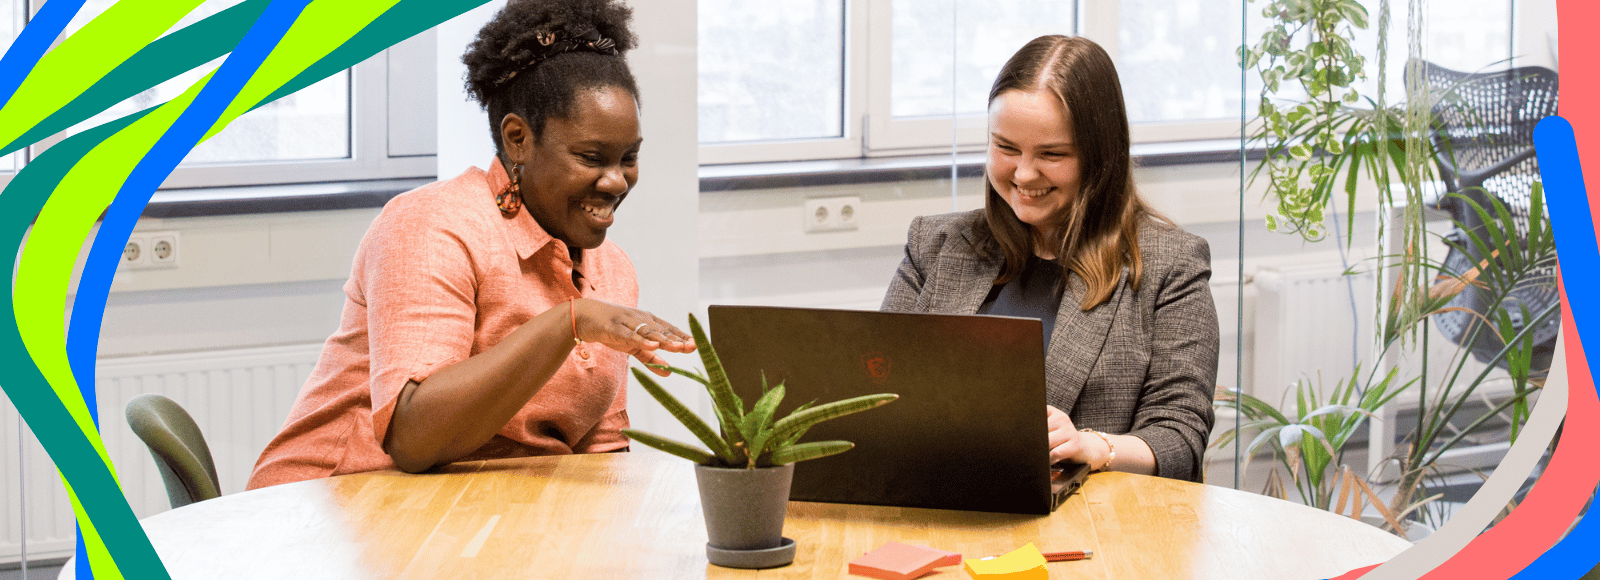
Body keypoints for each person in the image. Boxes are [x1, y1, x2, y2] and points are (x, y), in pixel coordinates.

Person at [247, 0, 693, 489]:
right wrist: (569, 322)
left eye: (628, 158)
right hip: (331, 501)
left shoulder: (612, 270)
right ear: (518, 138)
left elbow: (602, 454)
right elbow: (414, 438)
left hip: (479, 510)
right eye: (591, 157)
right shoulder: (431, 227)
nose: (616, 181)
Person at [880, 35, 1219, 483]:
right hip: (938, 501)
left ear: (1101, 157)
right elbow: (877, 395)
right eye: (1006, 148)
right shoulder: (935, 244)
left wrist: (1092, 446)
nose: (1024, 174)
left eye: (1052, 154)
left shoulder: (1170, 265)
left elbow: (1180, 438)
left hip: (1096, 518)